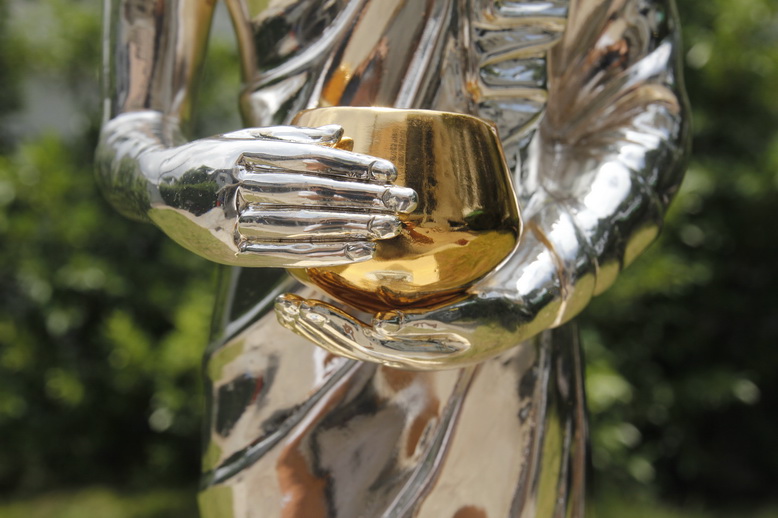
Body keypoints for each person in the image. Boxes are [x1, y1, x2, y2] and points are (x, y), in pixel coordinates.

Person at [97, 0, 689, 516]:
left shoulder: (519, 301)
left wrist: (532, 290)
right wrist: (182, 182)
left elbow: (640, 113)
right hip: (288, 336)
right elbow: (133, 124)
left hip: (503, 337)